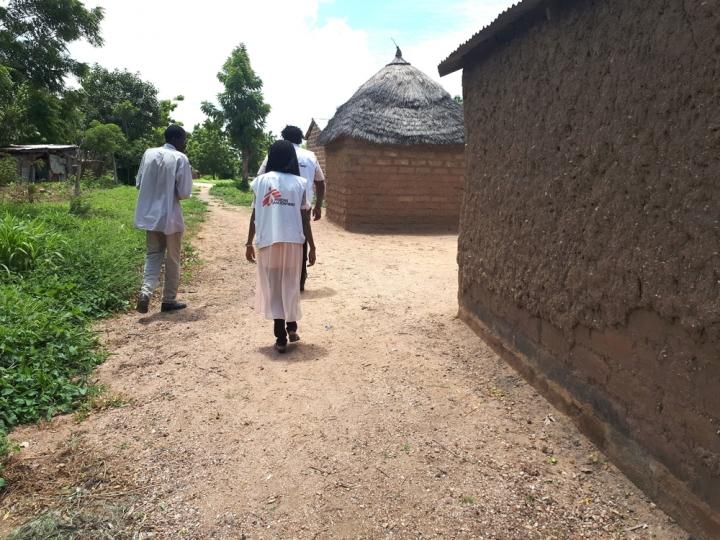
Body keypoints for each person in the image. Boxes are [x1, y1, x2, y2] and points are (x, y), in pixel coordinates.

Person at [246, 140, 316, 353]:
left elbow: (255, 213)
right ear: (291, 159)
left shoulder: (260, 182)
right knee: (291, 284)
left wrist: (249, 241)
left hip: (268, 241)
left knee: (274, 287)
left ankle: (280, 337)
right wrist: (312, 246)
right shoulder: (300, 183)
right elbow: (304, 218)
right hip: (294, 242)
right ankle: (292, 326)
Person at [257, 125, 325, 291]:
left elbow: (261, 176)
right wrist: (318, 205)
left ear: (283, 138)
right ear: (300, 139)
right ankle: (298, 280)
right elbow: (320, 181)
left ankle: (277, 280)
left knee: (278, 238)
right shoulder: (310, 156)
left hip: (277, 204)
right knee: (299, 239)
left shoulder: (274, 154)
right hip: (303, 204)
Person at [134, 124, 193, 314]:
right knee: (173, 258)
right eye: (184, 140)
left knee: (153, 255)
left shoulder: (148, 154)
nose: (185, 144)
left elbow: (139, 183)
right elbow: (184, 193)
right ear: (176, 139)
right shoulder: (180, 158)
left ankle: (145, 293)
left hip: (149, 217)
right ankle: (168, 300)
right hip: (170, 218)